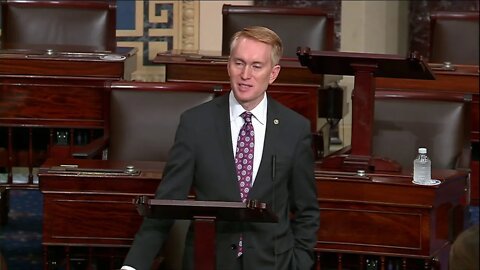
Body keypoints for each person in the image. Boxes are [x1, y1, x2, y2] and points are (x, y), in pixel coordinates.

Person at [121, 26, 320, 270]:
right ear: (228, 65)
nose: (245, 74)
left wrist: (300, 263)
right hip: (209, 261)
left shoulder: (294, 129)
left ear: (273, 73)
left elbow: (307, 211)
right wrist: (133, 266)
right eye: (239, 63)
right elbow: (167, 203)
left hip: (274, 263)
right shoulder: (195, 124)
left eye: (256, 66)